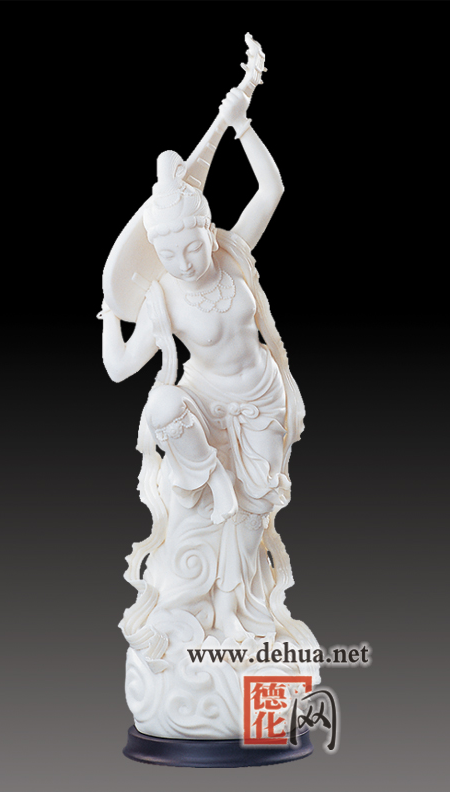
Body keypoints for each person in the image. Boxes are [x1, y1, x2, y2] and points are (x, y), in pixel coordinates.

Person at [100, 89, 314, 649]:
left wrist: (242, 125)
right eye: (169, 254)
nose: (184, 262)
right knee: (163, 407)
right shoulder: (164, 296)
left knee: (254, 508)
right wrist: (109, 315)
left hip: (261, 395)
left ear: (207, 230)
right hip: (206, 397)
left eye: (192, 248)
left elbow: (272, 189)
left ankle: (231, 613)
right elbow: (120, 367)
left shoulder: (233, 256)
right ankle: (210, 480)